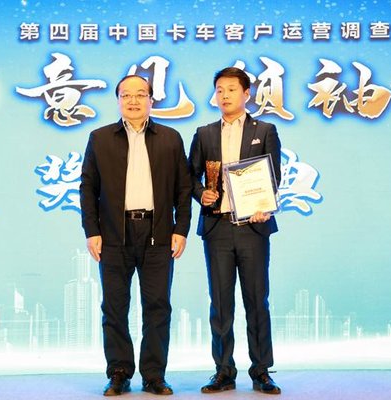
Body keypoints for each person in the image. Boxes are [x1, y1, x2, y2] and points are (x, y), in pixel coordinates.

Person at [80, 75, 191, 396]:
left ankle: (154, 375)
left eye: (140, 94)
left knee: (158, 306)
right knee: (114, 307)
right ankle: (119, 372)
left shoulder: (170, 138)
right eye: (126, 95)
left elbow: (183, 189)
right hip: (114, 234)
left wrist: (181, 229)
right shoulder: (100, 138)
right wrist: (92, 231)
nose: (133, 100)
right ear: (118, 100)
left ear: (151, 100)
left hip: (159, 233)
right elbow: (88, 188)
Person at [188, 67, 282, 395]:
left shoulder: (265, 130)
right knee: (220, 303)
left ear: (246, 94)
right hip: (217, 228)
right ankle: (223, 371)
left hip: (253, 228)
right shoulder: (204, 133)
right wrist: (202, 193)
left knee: (257, 301)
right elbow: (190, 176)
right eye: (219, 89)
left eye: (231, 89)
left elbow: (273, 176)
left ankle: (261, 371)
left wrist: (265, 203)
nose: (224, 95)